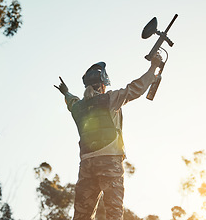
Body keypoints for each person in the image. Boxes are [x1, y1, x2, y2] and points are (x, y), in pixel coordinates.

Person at [55, 54, 162, 220]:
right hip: (109, 162)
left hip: (86, 165)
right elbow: (136, 88)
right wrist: (153, 68)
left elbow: (71, 101)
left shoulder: (78, 107)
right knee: (114, 214)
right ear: (103, 85)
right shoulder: (110, 99)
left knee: (81, 216)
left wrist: (66, 92)